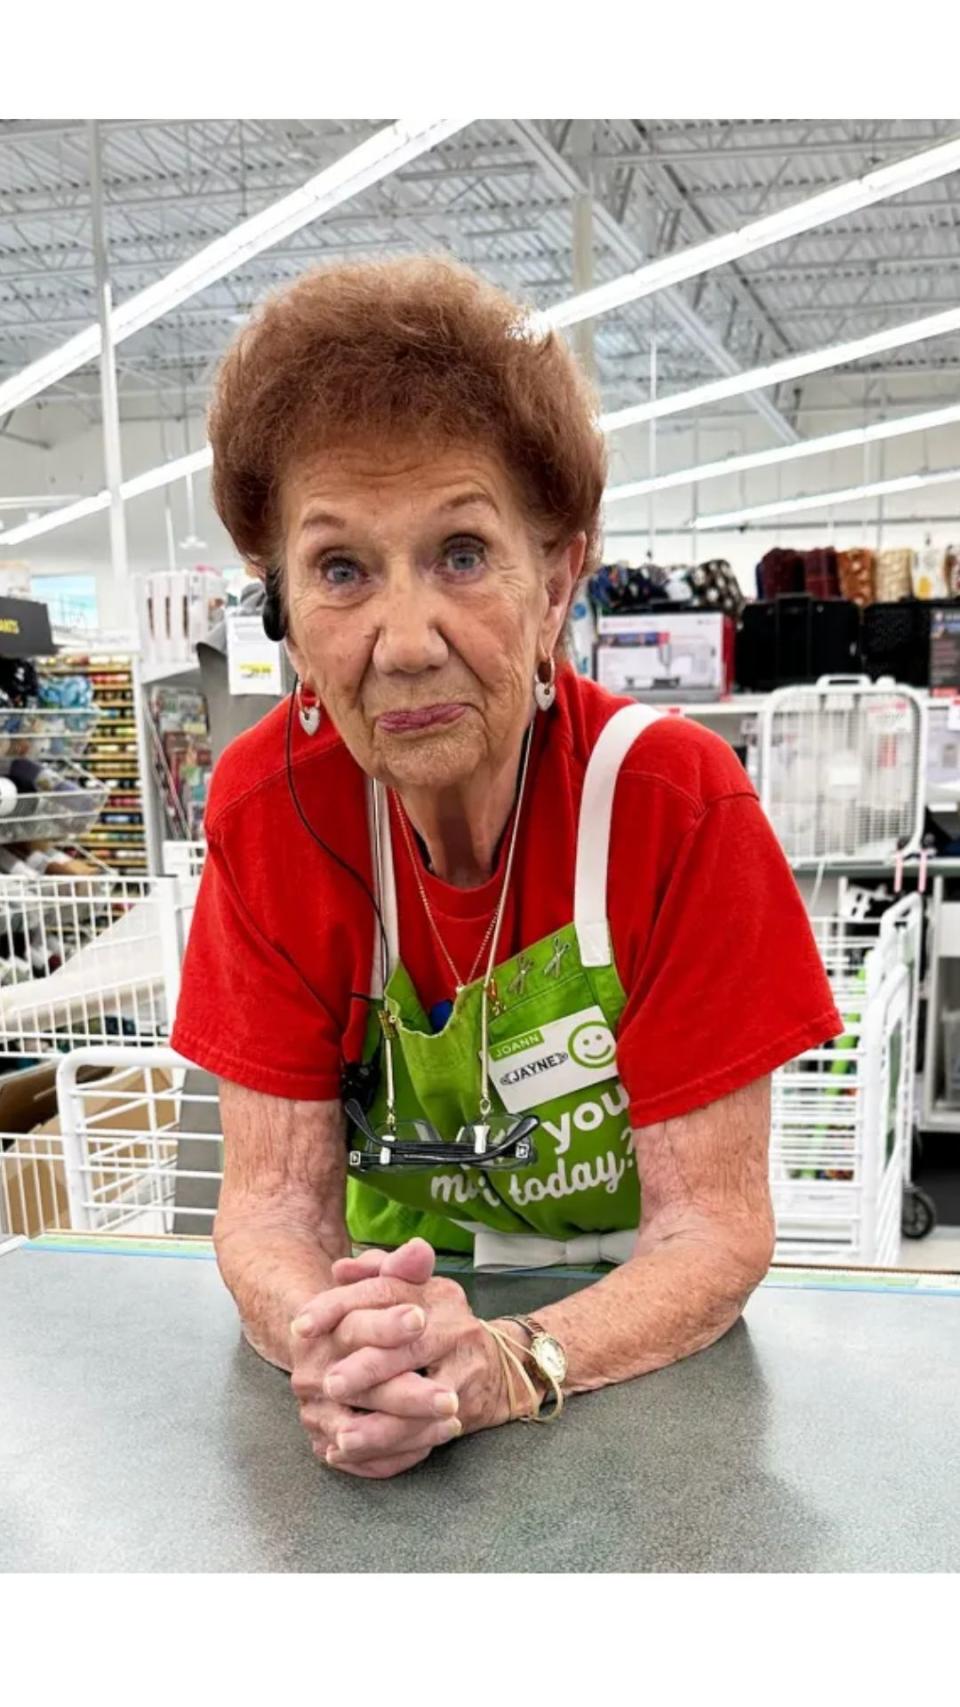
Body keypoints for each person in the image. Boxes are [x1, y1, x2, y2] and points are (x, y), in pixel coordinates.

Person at [171, 256, 843, 1480]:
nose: (407, 641)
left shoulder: (673, 806)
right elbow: (271, 1209)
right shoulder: (269, 813)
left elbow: (712, 1228)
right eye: (340, 570)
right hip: (381, 1332)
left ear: (558, 582)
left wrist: (511, 1359)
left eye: (464, 553)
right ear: (284, 605)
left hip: (630, 1352)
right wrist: (328, 1340)